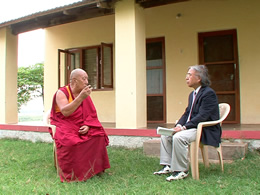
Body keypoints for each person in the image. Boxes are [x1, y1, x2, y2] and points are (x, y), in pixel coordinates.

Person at [153, 65, 221, 181]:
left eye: (189, 75)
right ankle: (168, 166)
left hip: (203, 129)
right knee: (166, 134)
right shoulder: (192, 94)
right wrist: (178, 125)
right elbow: (187, 113)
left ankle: (181, 171)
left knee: (179, 137)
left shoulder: (209, 94)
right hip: (191, 127)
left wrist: (184, 128)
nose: (186, 78)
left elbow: (202, 116)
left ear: (198, 78)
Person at [49, 68, 110, 182]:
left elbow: (90, 115)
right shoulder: (62, 93)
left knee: (98, 136)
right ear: (74, 80)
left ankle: (95, 170)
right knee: (71, 142)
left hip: (81, 125)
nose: (87, 82)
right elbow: (65, 112)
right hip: (65, 124)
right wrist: (81, 97)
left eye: (87, 78)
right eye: (84, 79)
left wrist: (88, 125)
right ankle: (73, 173)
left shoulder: (84, 94)